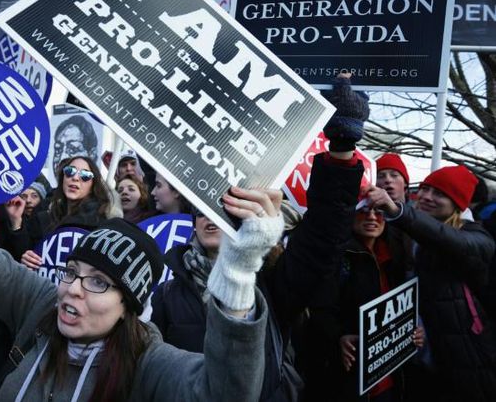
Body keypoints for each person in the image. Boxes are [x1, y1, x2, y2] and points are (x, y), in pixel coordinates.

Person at [0, 52, 281, 402]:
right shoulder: (40, 308)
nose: (73, 289)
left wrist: (239, 271)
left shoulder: (149, 363)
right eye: (72, 273)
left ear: (129, 307)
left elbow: (225, 392)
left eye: (99, 283)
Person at [152, 72, 369, 401]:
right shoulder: (168, 293)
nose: (210, 217)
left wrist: (340, 150)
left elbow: (322, 242)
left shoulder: (273, 284)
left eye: (224, 208)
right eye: (202, 209)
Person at [365, 165, 496, 402]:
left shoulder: (477, 237)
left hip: (468, 359)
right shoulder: (408, 234)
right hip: (418, 360)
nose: (426, 197)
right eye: (424, 189)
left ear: (458, 203)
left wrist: (398, 211)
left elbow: (449, 240)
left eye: (439, 193)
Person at [312, 203, 424, 401]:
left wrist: (412, 329)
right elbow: (319, 308)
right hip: (352, 379)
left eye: (379, 212)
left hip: (392, 377)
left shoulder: (396, 254)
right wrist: (338, 337)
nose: (372, 217)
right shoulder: (335, 256)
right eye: (363, 210)